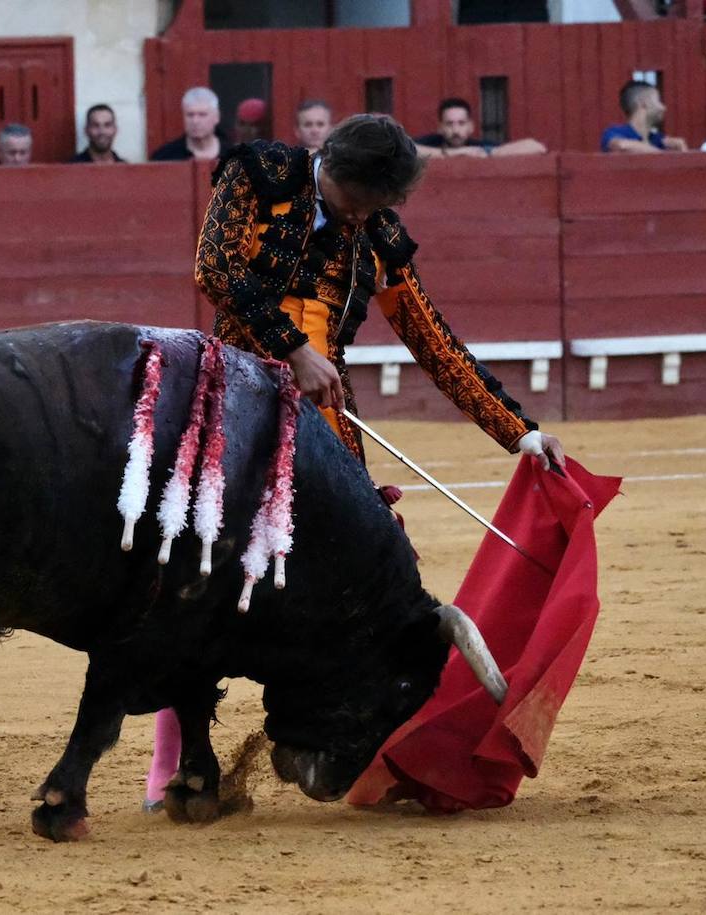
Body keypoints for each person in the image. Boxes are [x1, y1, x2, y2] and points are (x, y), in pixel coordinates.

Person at [143, 114, 565, 810]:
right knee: (200, 574)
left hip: (327, 422)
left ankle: (354, 744)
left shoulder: (379, 236)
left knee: (366, 580)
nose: (361, 216)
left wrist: (519, 431)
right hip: (234, 397)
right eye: (355, 201)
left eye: (375, 207)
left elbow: (433, 340)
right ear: (329, 164)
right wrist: (292, 347)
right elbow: (213, 269)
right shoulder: (259, 177)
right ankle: (174, 765)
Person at [413, 98, 547, 158]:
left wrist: (489, 153)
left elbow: (537, 147)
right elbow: (399, 149)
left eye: (461, 123)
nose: (455, 130)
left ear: (471, 126)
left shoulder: (479, 147)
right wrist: (451, 154)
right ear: (440, 127)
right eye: (449, 124)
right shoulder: (431, 142)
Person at [600, 81, 687, 154]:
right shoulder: (614, 132)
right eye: (658, 101)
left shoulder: (658, 139)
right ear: (643, 103)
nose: (663, 108)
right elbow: (622, 146)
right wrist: (663, 156)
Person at [149, 86, 230, 161]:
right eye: (190, 115)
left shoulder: (233, 155)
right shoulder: (165, 156)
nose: (195, 121)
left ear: (217, 117)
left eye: (202, 115)